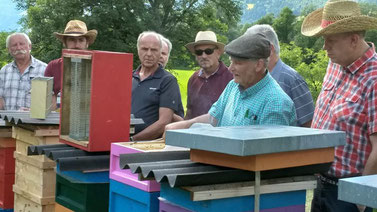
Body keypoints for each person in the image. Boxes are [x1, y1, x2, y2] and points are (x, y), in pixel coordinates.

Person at [301, 0, 377, 211]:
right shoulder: (335, 64)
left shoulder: (374, 79)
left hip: (349, 194)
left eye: (330, 40)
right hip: (320, 184)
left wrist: (362, 199)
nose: (324, 47)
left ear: (353, 40)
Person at [165, 32, 296, 131]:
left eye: (237, 63)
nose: (230, 68)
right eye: (230, 61)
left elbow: (267, 157)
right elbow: (213, 118)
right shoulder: (233, 86)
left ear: (259, 65)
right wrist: (182, 126)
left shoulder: (276, 103)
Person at [246, 24, 314, 127]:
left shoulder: (292, 80)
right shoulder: (253, 79)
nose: (246, 54)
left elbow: (309, 125)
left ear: (270, 49)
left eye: (251, 49)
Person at [131, 31, 184, 141]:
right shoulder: (128, 77)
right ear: (138, 50)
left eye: (154, 50)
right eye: (145, 49)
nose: (149, 54)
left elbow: (164, 122)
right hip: (121, 139)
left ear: (160, 52)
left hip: (148, 145)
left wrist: (132, 140)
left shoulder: (167, 80)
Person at [44, 20, 97, 109]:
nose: (77, 45)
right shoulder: (53, 66)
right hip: (58, 118)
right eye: (72, 40)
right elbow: (48, 98)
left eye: (81, 40)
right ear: (65, 43)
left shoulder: (97, 66)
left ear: (87, 43)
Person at [184, 31, 233, 119]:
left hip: (221, 132)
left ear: (218, 53)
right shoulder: (193, 79)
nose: (204, 56)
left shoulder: (232, 78)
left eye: (208, 51)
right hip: (194, 131)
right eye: (199, 52)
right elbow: (189, 112)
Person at [0, 33, 46, 110]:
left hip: (35, 121)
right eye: (14, 45)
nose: (18, 48)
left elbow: (52, 100)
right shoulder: (4, 71)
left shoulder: (44, 69)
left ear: (29, 46)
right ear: (9, 49)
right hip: (8, 121)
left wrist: (36, 111)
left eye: (22, 44)